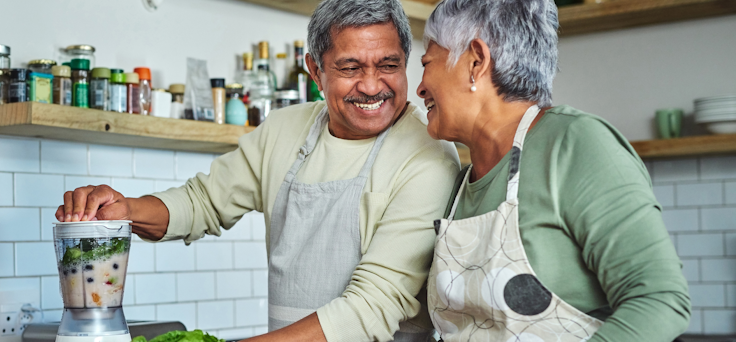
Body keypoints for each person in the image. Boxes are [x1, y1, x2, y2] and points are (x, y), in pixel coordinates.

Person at [57, 0, 461, 340]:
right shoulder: (285, 129)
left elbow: (373, 305)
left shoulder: (429, 156)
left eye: (388, 65)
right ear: (315, 71)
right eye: (350, 68)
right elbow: (204, 203)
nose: (372, 86)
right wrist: (126, 210)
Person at [416, 0, 691, 341]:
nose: (420, 87)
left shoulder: (575, 143)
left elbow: (660, 298)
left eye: (427, 63)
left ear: (476, 60)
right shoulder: (457, 185)